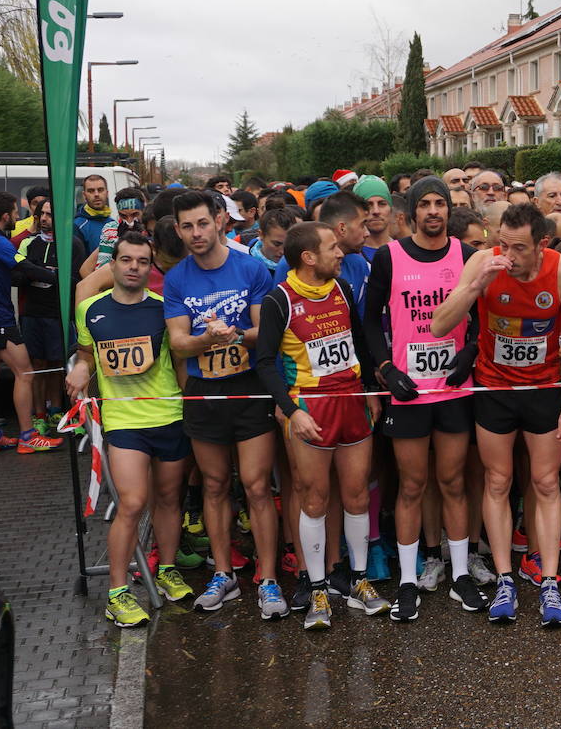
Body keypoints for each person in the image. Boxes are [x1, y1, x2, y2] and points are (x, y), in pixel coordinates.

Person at [430, 202, 561, 628]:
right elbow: (439, 326)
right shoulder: (485, 262)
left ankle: (550, 581)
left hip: (541, 390)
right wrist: (476, 283)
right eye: (503, 245)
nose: (509, 257)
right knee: (498, 481)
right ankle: (503, 579)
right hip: (495, 389)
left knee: (546, 481)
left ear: (543, 244)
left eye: (518, 248)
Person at [363, 177, 489, 621]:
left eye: (440, 204)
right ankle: (407, 582)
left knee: (453, 482)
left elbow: (481, 317)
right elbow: (369, 321)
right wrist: (386, 369)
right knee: (413, 485)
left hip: (453, 388)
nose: (434, 211)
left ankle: (459, 576)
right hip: (409, 390)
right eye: (426, 205)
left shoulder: (467, 256)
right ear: (411, 213)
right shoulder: (389, 256)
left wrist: (470, 352)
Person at [162, 190, 286, 618]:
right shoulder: (177, 278)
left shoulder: (249, 268)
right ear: (178, 230)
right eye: (187, 226)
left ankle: (268, 579)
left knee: (255, 485)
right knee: (214, 486)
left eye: (202, 223)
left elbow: (264, 330)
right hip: (204, 391)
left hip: (249, 387)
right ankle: (223, 573)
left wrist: (231, 334)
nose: (196, 233)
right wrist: (205, 339)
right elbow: (179, 344)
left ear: (219, 221)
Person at [258, 221, 386, 629]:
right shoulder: (280, 299)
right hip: (311, 407)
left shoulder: (343, 290)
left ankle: (360, 583)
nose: (340, 252)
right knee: (314, 498)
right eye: (332, 247)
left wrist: (368, 388)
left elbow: (359, 344)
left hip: (350, 402)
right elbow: (263, 362)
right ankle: (317, 591)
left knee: (357, 496)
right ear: (308, 257)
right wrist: (291, 410)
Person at [69, 233, 193, 627]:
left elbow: (179, 363)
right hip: (124, 422)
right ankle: (118, 592)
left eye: (142, 261)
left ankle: (168, 568)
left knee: (170, 499)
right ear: (114, 264)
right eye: (127, 260)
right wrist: (81, 368)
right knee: (133, 502)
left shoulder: (163, 308)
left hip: (169, 414)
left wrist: (189, 405)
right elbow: (88, 355)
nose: (134, 267)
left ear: (150, 265)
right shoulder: (90, 309)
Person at [0, 193, 63, 455]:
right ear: (6, 216)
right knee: (26, 372)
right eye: (15, 212)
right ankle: (28, 436)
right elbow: (29, 269)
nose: (19, 217)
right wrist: (61, 276)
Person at [16, 198, 85, 429]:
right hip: (32, 313)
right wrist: (51, 274)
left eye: (50, 214)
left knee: (58, 363)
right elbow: (16, 277)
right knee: (37, 364)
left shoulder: (72, 244)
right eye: (42, 214)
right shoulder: (29, 242)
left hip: (58, 313)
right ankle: (39, 414)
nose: (45, 219)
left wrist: (35, 272)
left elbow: (74, 281)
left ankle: (56, 409)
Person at [354, 175, 393, 262]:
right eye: (369, 205)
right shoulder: (347, 257)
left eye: (382, 204)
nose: (376, 211)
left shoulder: (405, 251)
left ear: (390, 208)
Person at [74, 174, 112, 255]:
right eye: (91, 191)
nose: (96, 194)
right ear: (84, 195)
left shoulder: (114, 223)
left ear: (107, 193)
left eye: (100, 190)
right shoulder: (77, 225)